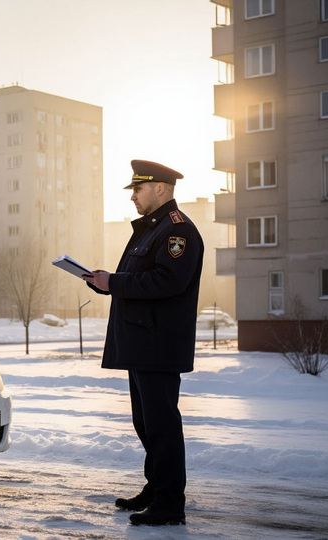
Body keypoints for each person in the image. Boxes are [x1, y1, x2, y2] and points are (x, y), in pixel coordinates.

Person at [84, 160, 204, 526]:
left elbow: (168, 281)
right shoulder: (151, 230)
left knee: (162, 425)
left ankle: (170, 504)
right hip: (142, 343)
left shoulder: (176, 232)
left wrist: (114, 283)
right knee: (145, 423)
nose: (133, 196)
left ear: (161, 190)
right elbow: (137, 278)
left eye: (138, 189)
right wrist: (104, 281)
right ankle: (156, 489)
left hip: (159, 345)